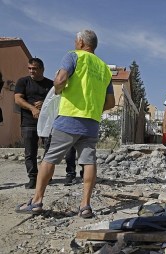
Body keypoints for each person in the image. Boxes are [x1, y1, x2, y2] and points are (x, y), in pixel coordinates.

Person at [16, 29, 115, 218]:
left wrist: (59, 90)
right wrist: (93, 110)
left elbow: (60, 79)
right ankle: (85, 206)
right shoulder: (104, 68)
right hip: (92, 122)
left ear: (80, 42)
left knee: (50, 157)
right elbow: (110, 103)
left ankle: (36, 201)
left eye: (75, 41)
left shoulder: (73, 56)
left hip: (69, 117)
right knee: (88, 161)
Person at [14, 58, 53, 189]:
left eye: (34, 68)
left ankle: (46, 176)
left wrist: (44, 104)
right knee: (30, 152)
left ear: (42, 69)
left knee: (49, 150)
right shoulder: (23, 82)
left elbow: (57, 100)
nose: (31, 71)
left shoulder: (50, 84)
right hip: (28, 122)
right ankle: (33, 178)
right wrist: (32, 108)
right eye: (29, 68)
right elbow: (18, 99)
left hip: (47, 123)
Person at [37, 86, 78, 185]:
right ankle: (48, 176)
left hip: (65, 123)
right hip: (56, 124)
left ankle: (69, 175)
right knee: (50, 152)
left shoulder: (72, 90)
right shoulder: (55, 90)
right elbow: (47, 108)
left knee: (68, 151)